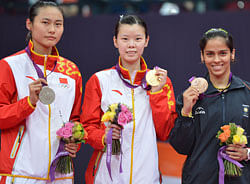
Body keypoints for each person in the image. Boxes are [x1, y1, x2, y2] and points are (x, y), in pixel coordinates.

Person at [81, 15, 177, 184]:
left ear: (146, 41)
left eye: (138, 39)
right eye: (125, 39)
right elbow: (86, 127)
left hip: (147, 176)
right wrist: (104, 136)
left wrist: (156, 93)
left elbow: (165, 131)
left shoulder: (160, 81)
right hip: (107, 177)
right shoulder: (100, 80)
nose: (131, 45)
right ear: (115, 41)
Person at [0, 1, 82, 183]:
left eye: (58, 24)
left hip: (61, 173)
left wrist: (74, 141)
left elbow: (74, 119)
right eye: (45, 22)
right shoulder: (10, 66)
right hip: (20, 171)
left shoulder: (72, 71)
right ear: (29, 24)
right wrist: (28, 103)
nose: (52, 29)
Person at [169, 28, 250, 184]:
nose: (216, 60)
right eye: (210, 54)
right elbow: (181, 147)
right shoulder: (189, 97)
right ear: (202, 56)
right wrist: (186, 112)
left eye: (223, 53)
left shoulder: (247, 92)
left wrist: (247, 153)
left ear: (232, 54)